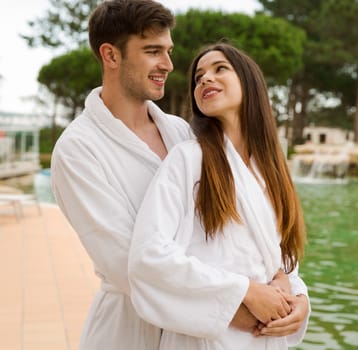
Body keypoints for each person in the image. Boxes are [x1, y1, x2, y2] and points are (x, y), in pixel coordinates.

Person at [51, 1, 309, 349]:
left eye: (169, 51)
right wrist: (244, 303)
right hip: (130, 331)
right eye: (153, 51)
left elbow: (245, 230)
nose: (169, 65)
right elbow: (128, 265)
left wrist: (290, 289)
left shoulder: (182, 133)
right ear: (111, 56)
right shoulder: (78, 149)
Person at [128, 42, 309, 349]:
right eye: (199, 77)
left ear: (249, 82)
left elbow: (276, 258)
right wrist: (245, 292)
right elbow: (149, 255)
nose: (205, 79)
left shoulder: (271, 170)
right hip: (207, 338)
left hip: (263, 338)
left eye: (219, 69)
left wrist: (298, 296)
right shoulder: (188, 159)